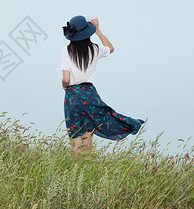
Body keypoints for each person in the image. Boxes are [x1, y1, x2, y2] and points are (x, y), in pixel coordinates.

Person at [60, 15, 144, 156]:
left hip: (72, 96)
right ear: (87, 33)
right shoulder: (94, 49)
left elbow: (66, 79)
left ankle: (75, 171)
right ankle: (86, 167)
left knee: (75, 139)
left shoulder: (65, 51)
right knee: (87, 137)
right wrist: (98, 30)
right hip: (89, 94)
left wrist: (64, 86)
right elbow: (110, 48)